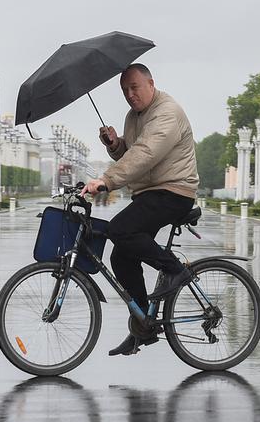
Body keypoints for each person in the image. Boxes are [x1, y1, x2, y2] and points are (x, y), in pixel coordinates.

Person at [82, 64, 199, 355]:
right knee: (121, 256)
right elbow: (133, 152)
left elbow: (146, 154)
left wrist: (106, 180)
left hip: (174, 191)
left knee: (119, 229)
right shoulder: (133, 117)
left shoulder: (167, 112)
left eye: (135, 87)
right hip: (150, 192)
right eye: (125, 91)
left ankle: (175, 271)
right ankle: (143, 323)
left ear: (151, 83)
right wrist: (115, 144)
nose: (130, 95)